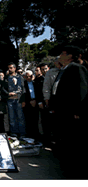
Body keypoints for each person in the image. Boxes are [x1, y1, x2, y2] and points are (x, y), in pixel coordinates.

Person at [49, 45, 88, 179]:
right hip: (62, 113)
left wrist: (78, 111)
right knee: (64, 141)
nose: (60, 55)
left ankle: (74, 173)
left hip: (71, 115)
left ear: (70, 56)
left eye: (63, 53)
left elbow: (82, 91)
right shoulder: (64, 70)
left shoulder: (77, 68)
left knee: (73, 144)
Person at [6, 63, 26, 137]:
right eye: (8, 68)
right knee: (12, 118)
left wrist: (23, 100)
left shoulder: (20, 77)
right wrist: (8, 93)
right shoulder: (6, 78)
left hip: (18, 99)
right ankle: (13, 133)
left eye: (11, 68)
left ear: (15, 68)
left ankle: (22, 133)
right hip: (10, 100)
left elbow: (23, 89)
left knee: (20, 117)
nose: (9, 69)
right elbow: (4, 88)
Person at [21, 70, 42, 140]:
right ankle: (29, 136)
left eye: (30, 76)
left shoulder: (36, 83)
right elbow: (23, 93)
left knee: (36, 120)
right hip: (28, 103)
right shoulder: (23, 84)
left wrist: (36, 100)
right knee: (28, 120)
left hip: (35, 102)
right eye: (27, 76)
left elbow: (39, 92)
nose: (28, 78)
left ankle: (36, 135)